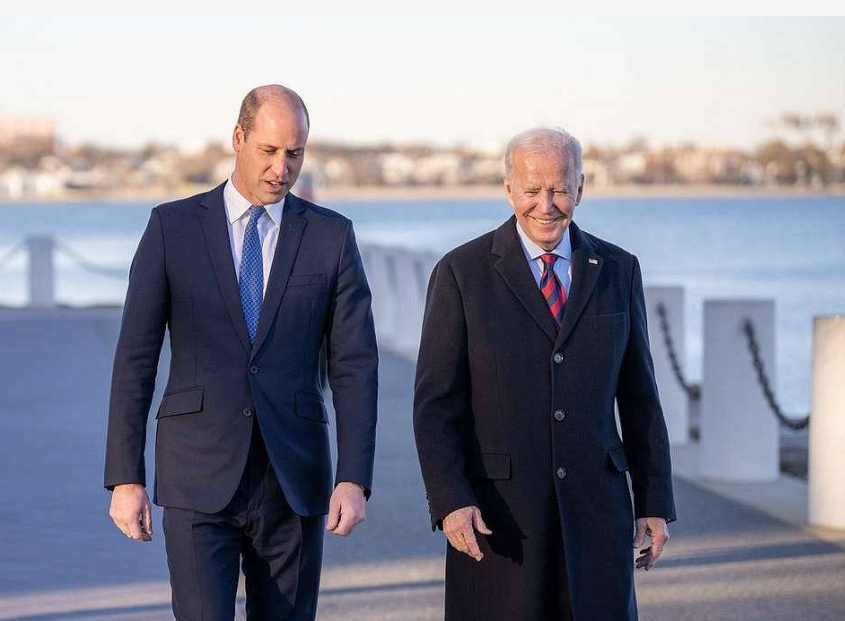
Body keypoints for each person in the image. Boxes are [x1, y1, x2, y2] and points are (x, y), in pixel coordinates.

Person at [104, 84, 378, 621]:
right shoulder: (171, 228)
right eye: (269, 151)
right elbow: (135, 358)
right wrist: (125, 477)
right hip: (196, 476)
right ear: (238, 138)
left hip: (294, 481)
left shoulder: (331, 237)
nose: (282, 167)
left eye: (295, 153)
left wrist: (354, 477)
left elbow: (355, 366)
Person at [413, 127, 675, 620]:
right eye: (532, 190)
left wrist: (654, 501)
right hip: (499, 519)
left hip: (597, 514)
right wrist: (450, 501)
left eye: (559, 188)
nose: (546, 204)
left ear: (581, 187)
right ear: (509, 189)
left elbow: (640, 396)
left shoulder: (619, 270)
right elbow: (435, 405)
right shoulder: (461, 273)